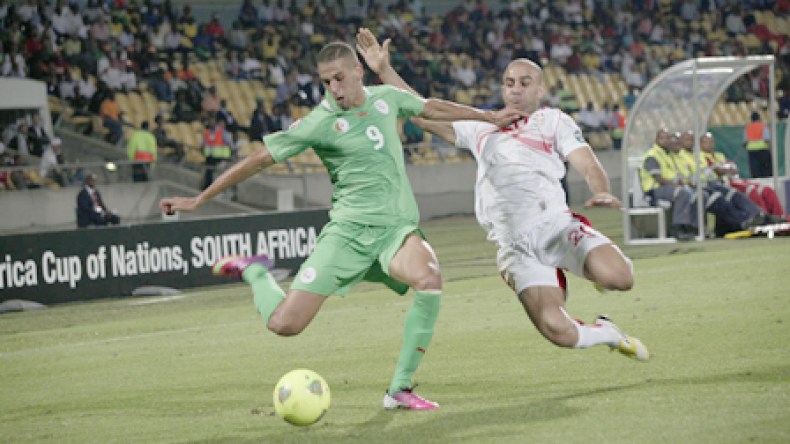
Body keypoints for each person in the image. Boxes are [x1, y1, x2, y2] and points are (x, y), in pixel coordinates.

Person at [159, 40, 525, 411]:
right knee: (285, 325)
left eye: (339, 78)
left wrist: (490, 117)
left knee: (429, 279)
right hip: (347, 236)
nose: (334, 88)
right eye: (326, 82)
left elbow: (431, 107)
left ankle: (399, 389)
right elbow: (259, 160)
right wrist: (199, 199)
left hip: (395, 231)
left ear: (357, 72)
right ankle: (256, 272)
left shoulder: (387, 98)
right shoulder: (319, 122)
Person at [355, 28, 650, 366]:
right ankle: (608, 333)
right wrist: (384, 71)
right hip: (515, 246)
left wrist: (601, 191)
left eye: (525, 83)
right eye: (509, 83)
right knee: (558, 331)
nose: (516, 89)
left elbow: (587, 162)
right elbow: (420, 113)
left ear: (540, 90)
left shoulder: (552, 121)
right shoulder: (480, 127)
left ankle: (589, 270)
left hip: (556, 226)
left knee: (620, 278)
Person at [699, 132, 784, 217]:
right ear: (700, 144)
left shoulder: (719, 155)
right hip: (721, 184)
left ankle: (779, 216)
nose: (709, 144)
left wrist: (727, 170)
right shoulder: (700, 156)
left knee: (767, 190)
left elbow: (735, 169)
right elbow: (719, 171)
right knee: (751, 190)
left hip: (734, 180)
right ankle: (763, 216)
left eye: (711, 141)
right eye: (706, 142)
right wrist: (726, 170)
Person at [201, 116, 234, 190]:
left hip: (221, 156)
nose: (211, 123)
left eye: (212, 121)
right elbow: (203, 145)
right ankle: (208, 186)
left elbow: (230, 143)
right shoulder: (207, 133)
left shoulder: (222, 132)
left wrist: (230, 152)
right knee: (209, 171)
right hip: (210, 157)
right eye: (210, 121)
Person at [743, 111, 772, 178]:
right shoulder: (763, 126)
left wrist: (745, 146)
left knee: (755, 170)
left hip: (752, 151)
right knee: (765, 169)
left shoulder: (748, 128)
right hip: (763, 150)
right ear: (759, 118)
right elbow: (766, 139)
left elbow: (745, 142)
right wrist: (770, 148)